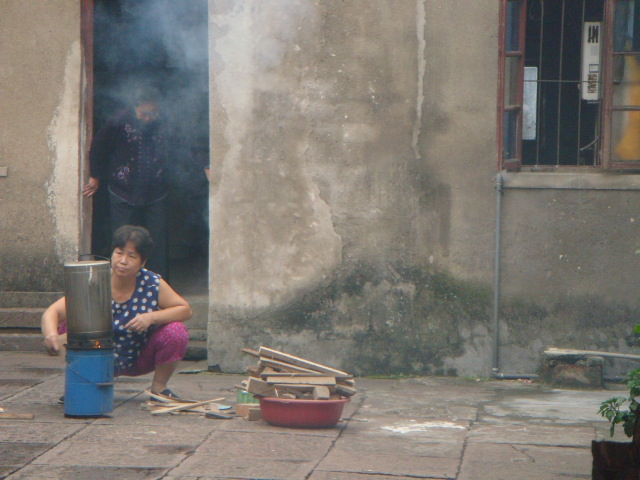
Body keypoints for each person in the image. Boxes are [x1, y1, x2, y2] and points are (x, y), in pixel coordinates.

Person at [41, 225, 192, 398]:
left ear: (142, 262)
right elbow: (52, 312)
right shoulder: (95, 279)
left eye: (132, 256)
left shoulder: (151, 283)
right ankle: (82, 384)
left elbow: (185, 309)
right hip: (96, 354)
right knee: (71, 324)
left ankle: (159, 387)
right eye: (119, 253)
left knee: (176, 331)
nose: (123, 261)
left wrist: (151, 317)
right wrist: (51, 335)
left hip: (137, 356)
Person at [83, 86, 170, 278]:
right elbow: (98, 147)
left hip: (156, 191)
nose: (148, 118)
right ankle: (120, 281)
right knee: (122, 239)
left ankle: (157, 284)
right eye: (143, 114)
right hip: (123, 190)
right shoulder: (119, 120)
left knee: (157, 240)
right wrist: (95, 177)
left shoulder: (164, 120)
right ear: (135, 107)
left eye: (152, 113)